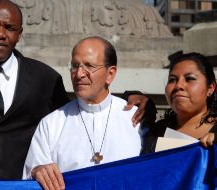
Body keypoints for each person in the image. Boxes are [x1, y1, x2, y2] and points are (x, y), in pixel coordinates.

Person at [0, 0, 152, 179]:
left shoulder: (44, 79)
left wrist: (134, 101)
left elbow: (85, 109)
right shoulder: (51, 123)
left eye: (10, 28)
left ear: (19, 34)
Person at [22, 36, 145, 190]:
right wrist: (37, 171)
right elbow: (30, 180)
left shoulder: (134, 119)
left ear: (110, 74)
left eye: (89, 66)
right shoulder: (51, 124)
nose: (79, 74)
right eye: (74, 66)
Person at [142, 52, 217, 154]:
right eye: (172, 80)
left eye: (190, 78)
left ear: (210, 88)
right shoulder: (154, 133)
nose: (178, 86)